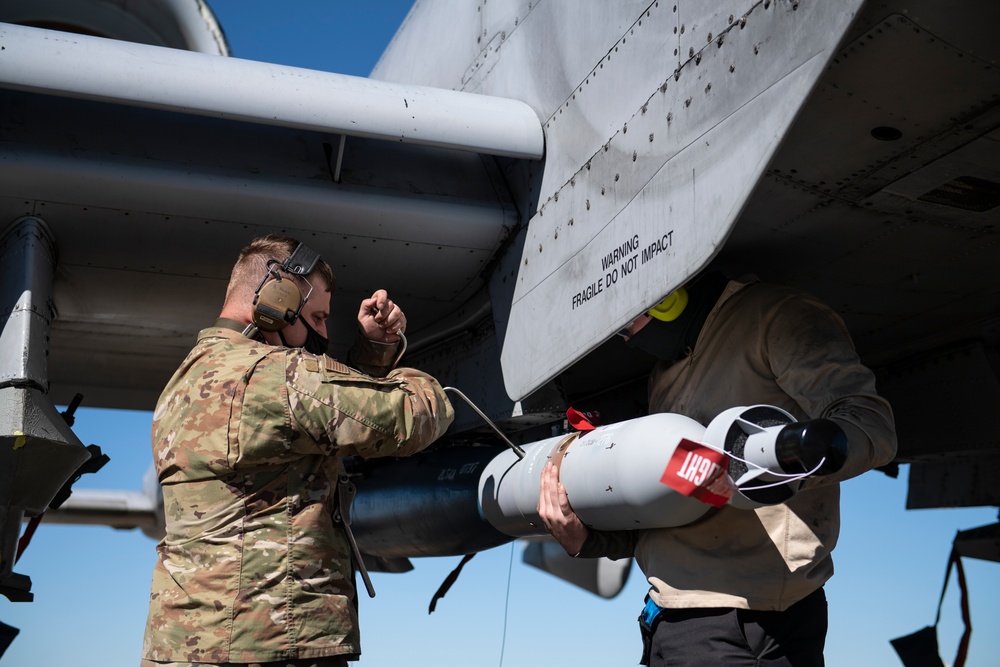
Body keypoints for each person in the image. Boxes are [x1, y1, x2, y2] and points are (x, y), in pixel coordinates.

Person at [538, 271, 897, 667]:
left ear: (664, 297)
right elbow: (671, 512)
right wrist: (587, 540)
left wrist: (784, 463)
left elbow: (870, 425)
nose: (628, 339)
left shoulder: (773, 316)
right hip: (681, 620)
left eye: (626, 324)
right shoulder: (663, 373)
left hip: (771, 620)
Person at [141, 235, 454, 667]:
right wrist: (412, 377)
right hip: (276, 641)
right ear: (277, 299)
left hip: (181, 647)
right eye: (318, 317)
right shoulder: (276, 377)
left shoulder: (186, 381)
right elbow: (411, 418)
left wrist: (371, 352)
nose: (323, 334)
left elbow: (303, 427)